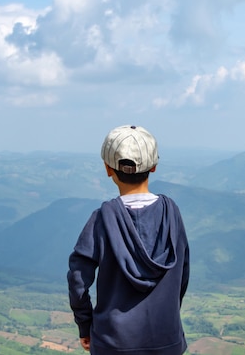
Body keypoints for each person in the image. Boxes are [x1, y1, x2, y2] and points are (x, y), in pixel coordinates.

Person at [67, 125, 190, 355]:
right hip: (167, 341)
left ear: (107, 169)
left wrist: (85, 325)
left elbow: (78, 279)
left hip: (113, 344)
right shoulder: (171, 213)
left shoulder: (102, 219)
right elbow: (182, 274)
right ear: (153, 167)